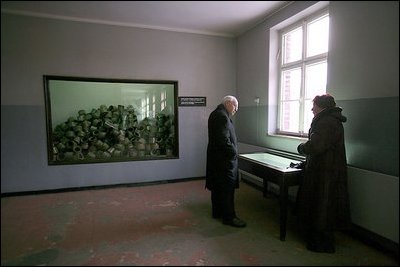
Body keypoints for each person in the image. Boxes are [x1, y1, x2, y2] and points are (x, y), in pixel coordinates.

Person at [296, 94, 351, 253]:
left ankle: (322, 244)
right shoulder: (329, 120)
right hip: (326, 169)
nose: (312, 109)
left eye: (314, 105)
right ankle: (318, 240)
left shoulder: (326, 122)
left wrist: (302, 148)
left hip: (326, 172)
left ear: (322, 106)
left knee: (323, 207)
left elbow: (316, 145)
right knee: (322, 206)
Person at [205, 95, 246, 228]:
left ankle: (217, 212)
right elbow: (223, 140)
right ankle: (229, 217)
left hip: (217, 160)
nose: (236, 110)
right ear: (228, 103)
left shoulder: (216, 114)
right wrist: (234, 152)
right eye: (235, 106)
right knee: (227, 189)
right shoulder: (222, 116)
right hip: (224, 161)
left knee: (218, 187)